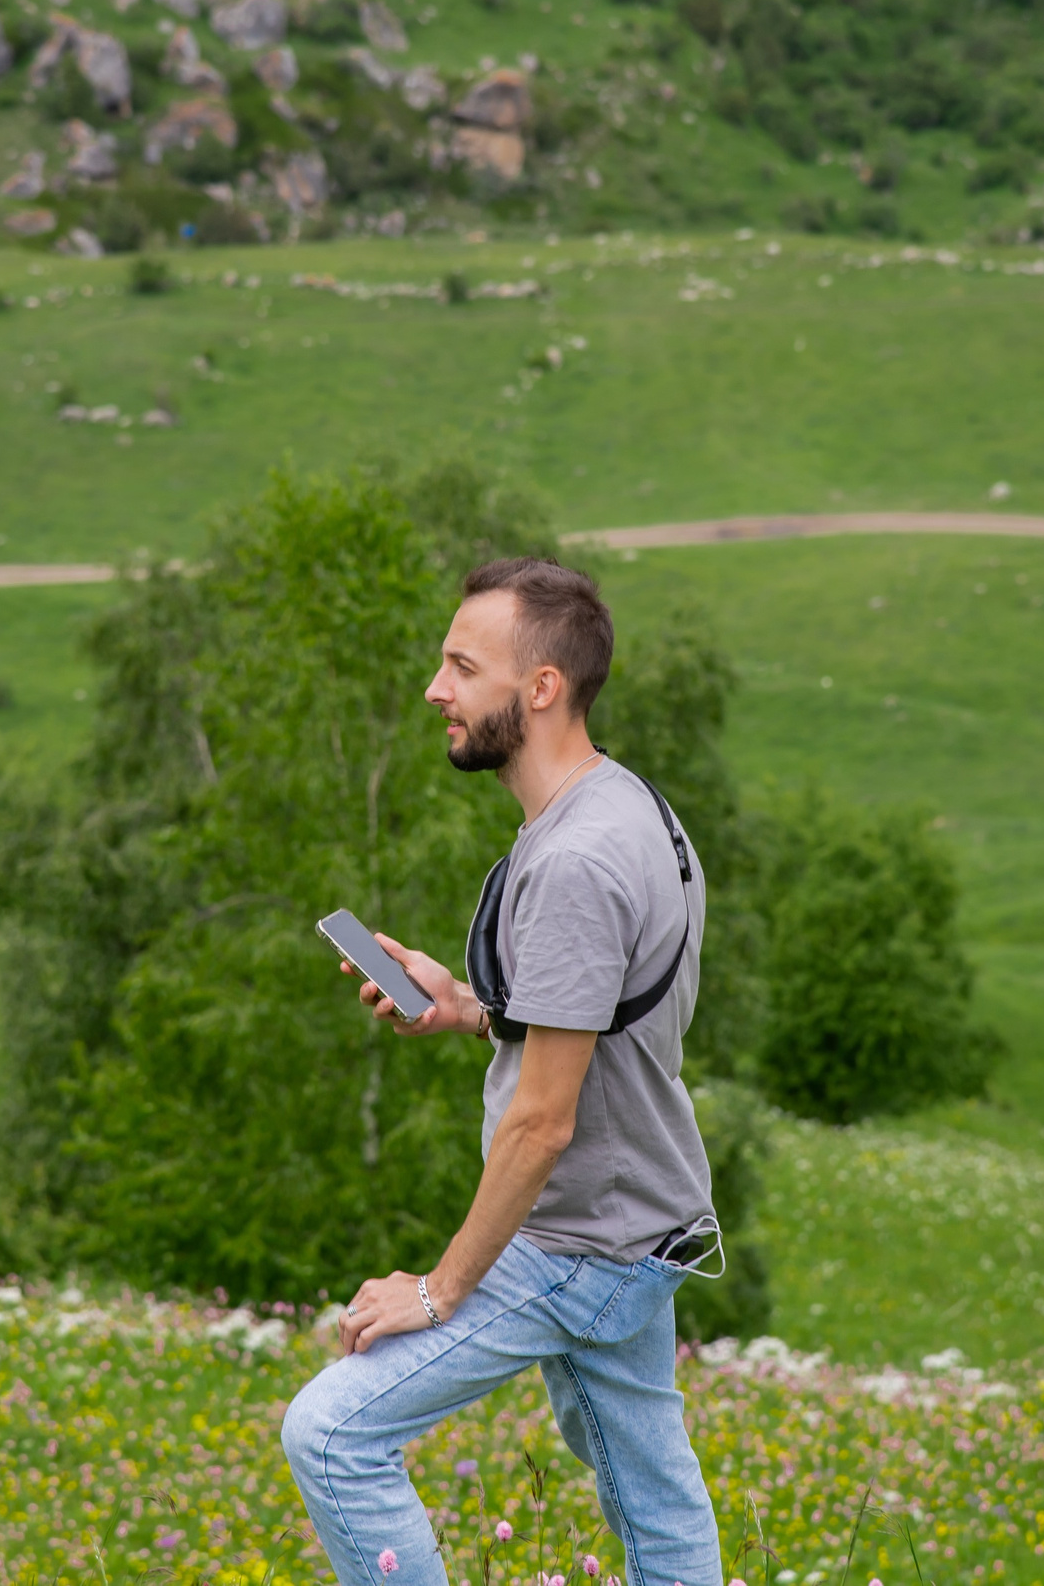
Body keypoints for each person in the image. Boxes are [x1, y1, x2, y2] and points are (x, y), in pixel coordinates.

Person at [281, 557, 724, 1586]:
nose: (435, 687)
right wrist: (468, 1007)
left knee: (332, 1433)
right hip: (641, 1216)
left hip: (576, 1239)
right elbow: (600, 1020)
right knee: (656, 1503)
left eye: (460, 664)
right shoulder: (627, 806)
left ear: (540, 688)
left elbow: (541, 1125)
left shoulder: (574, 861)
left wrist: (437, 1292)